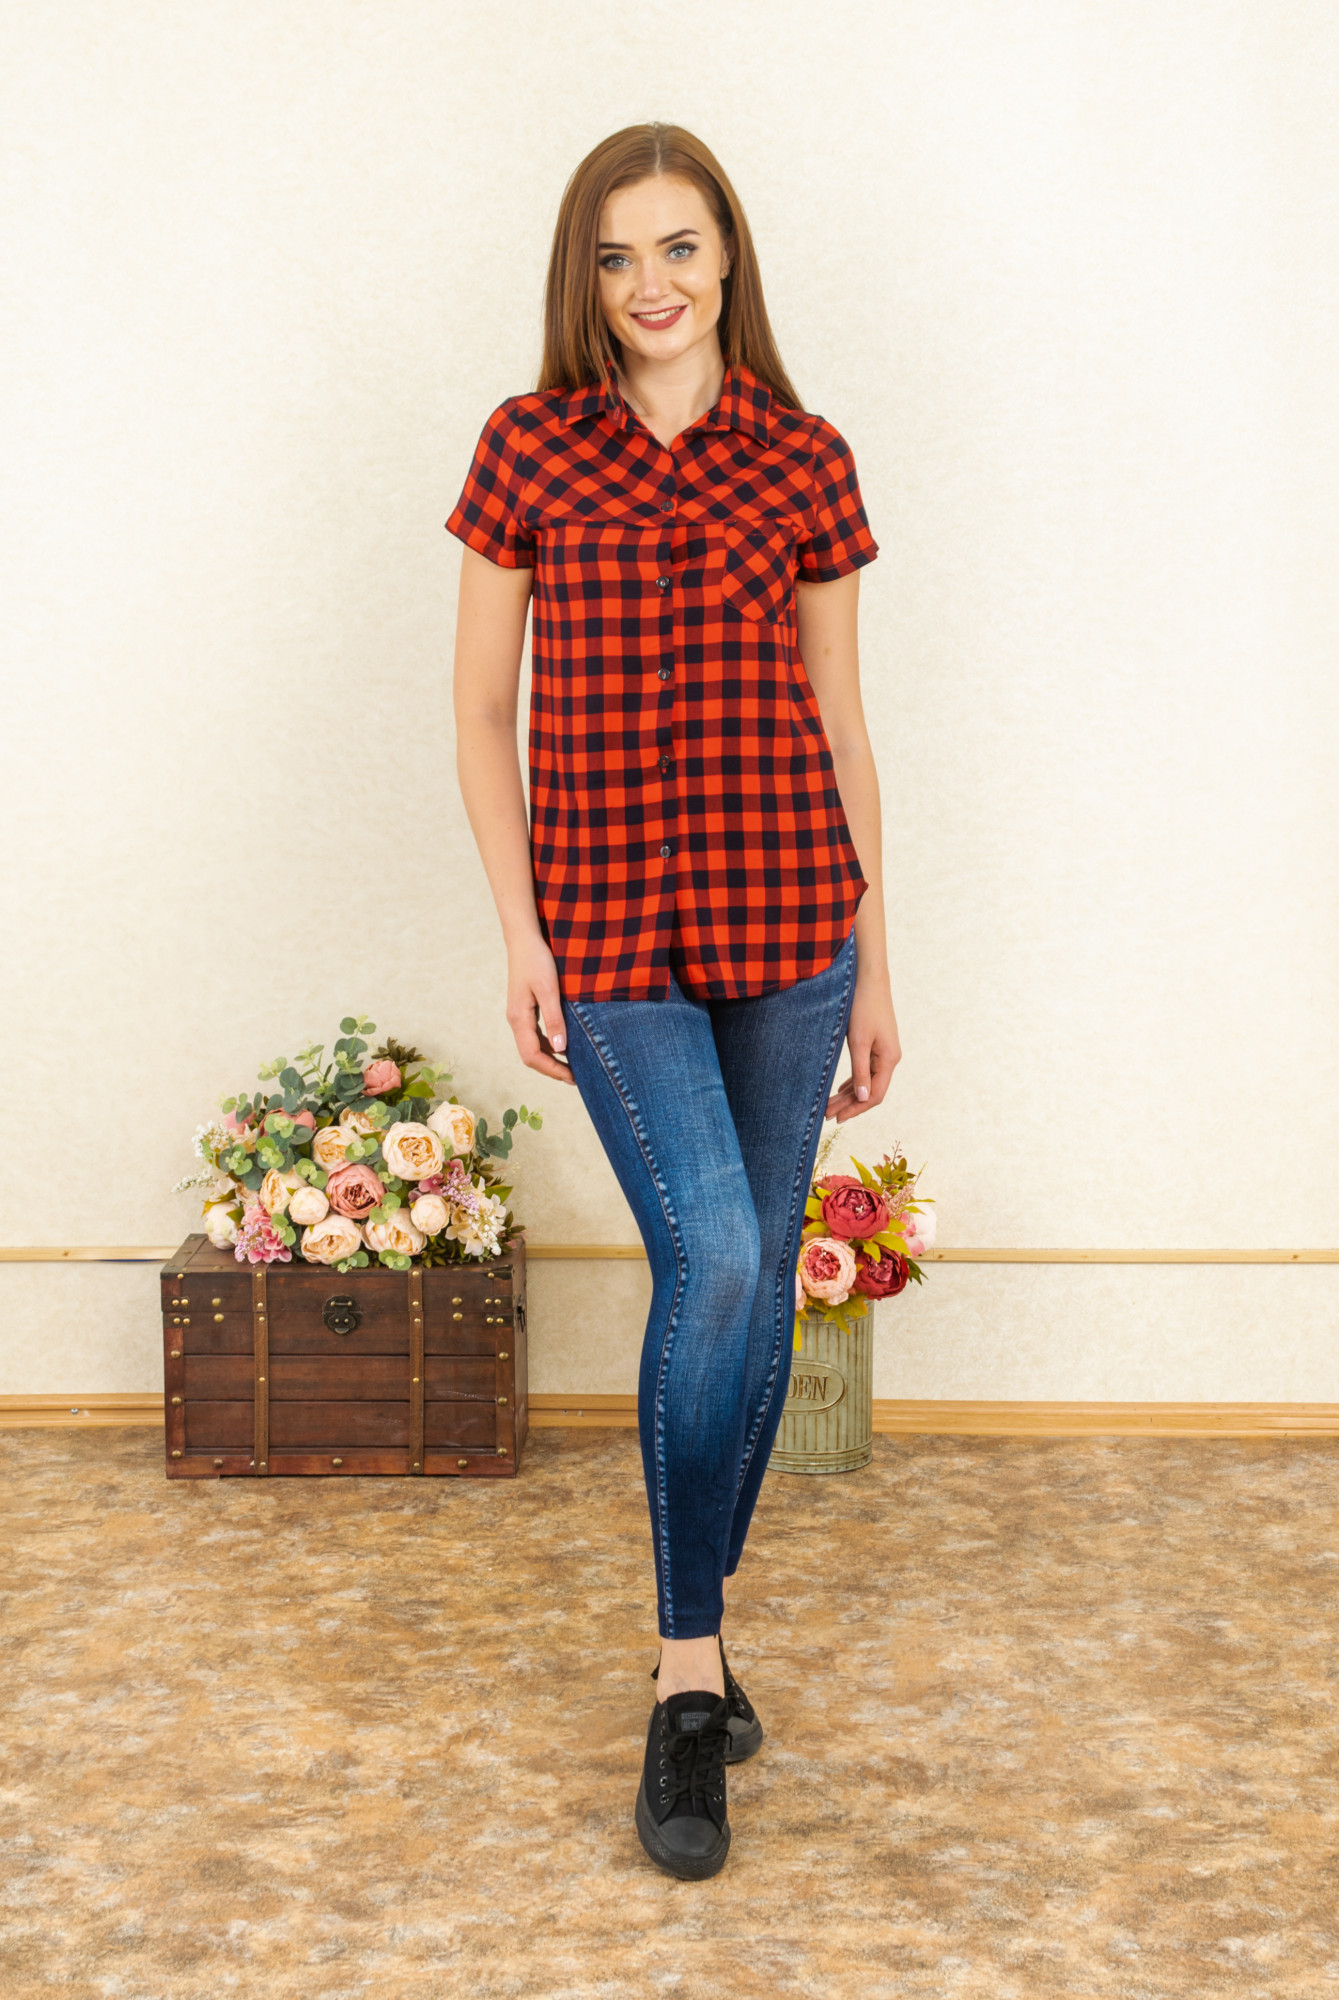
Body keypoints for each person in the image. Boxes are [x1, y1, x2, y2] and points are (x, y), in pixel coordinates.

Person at [448, 122, 900, 1880]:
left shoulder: (805, 456)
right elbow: (482, 711)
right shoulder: (527, 448)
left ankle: (693, 1644)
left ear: (729, 260)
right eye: (620, 255)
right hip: (611, 937)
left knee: (761, 1282)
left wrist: (878, 955)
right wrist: (521, 933)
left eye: (682, 248)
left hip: (794, 925)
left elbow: (841, 721)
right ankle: (688, 1669)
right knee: (711, 1256)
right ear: (588, 275)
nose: (653, 284)